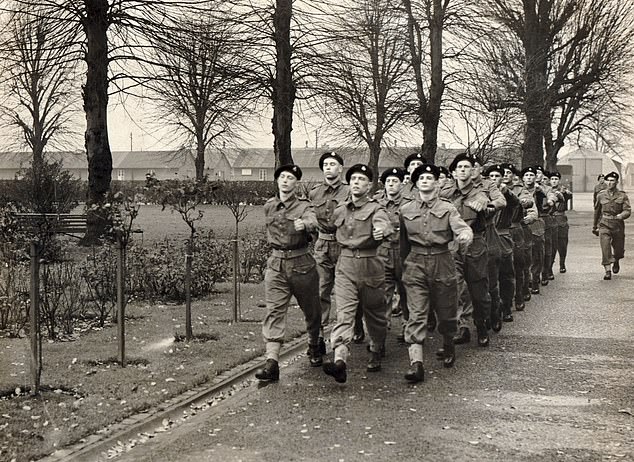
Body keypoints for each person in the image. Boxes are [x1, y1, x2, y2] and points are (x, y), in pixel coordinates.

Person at [400, 164, 473, 383]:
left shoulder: (448, 208)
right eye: (420, 177)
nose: (424, 181)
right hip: (415, 264)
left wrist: (465, 235)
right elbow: (402, 243)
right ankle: (416, 364)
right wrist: (402, 268)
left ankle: (449, 343)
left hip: (442, 262)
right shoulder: (405, 210)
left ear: (436, 183)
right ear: (416, 183)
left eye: (429, 177)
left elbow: (460, 227)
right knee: (417, 313)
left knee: (447, 312)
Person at [323, 164, 393, 383]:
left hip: (371, 264)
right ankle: (340, 361)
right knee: (344, 313)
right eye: (353, 178)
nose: (356, 182)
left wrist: (382, 231)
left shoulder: (376, 209)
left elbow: (385, 225)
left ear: (369, 185)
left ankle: (376, 347)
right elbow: (327, 228)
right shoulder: (340, 210)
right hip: (345, 265)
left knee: (375, 315)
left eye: (361, 179)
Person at [255, 165, 323, 382]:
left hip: (301, 263)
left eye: (290, 178)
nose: (285, 181)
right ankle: (272, 362)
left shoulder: (304, 207)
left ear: (296, 183)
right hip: (276, 264)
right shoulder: (269, 206)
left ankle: (314, 344)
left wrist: (306, 225)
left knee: (311, 310)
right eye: (282, 177)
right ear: (277, 181)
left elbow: (314, 221)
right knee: (274, 310)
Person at [441, 153, 494, 347]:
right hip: (453, 246)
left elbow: (488, 204)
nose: (463, 170)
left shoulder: (480, 194)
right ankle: (462, 327)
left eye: (467, 167)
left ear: (473, 171)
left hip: (475, 246)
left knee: (479, 290)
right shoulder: (445, 194)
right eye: (459, 167)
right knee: (456, 287)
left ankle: (480, 324)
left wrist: (486, 206)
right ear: (454, 172)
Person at [309, 151, 350, 351]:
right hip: (322, 246)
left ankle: (346, 334)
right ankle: (318, 338)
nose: (328, 167)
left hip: (344, 246)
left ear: (340, 169)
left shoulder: (349, 192)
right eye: (325, 164)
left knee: (346, 292)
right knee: (320, 291)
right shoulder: (314, 193)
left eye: (333, 164)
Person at [374, 167, 408, 344]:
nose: (391, 185)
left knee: (405, 291)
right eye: (388, 182)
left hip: (403, 252)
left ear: (402, 183)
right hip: (383, 252)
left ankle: (407, 327)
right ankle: (382, 329)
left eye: (395, 181)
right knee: (383, 292)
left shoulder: (409, 203)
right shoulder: (376, 203)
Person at [487, 165, 518, 324]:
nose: (494, 179)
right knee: (489, 278)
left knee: (506, 276)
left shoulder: (507, 194)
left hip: (503, 237)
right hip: (488, 238)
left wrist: (507, 192)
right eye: (491, 176)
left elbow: (515, 202)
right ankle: (492, 309)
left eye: (497, 176)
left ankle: (506, 307)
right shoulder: (484, 194)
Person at [592, 171, 631, 280]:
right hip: (604, 224)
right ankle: (607, 270)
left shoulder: (622, 196)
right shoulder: (601, 195)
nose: (609, 183)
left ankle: (616, 260)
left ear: (616, 182)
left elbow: (627, 210)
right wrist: (594, 226)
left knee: (618, 249)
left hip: (618, 224)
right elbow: (597, 212)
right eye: (608, 180)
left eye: (612, 181)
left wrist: (621, 216)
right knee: (605, 247)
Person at [549, 172, 573, 273]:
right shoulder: (546, 190)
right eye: (552, 179)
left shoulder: (563, 190)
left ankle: (562, 263)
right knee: (550, 245)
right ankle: (549, 267)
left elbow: (569, 195)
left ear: (559, 180)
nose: (554, 181)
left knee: (562, 243)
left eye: (556, 179)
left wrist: (564, 193)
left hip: (561, 219)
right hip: (550, 218)